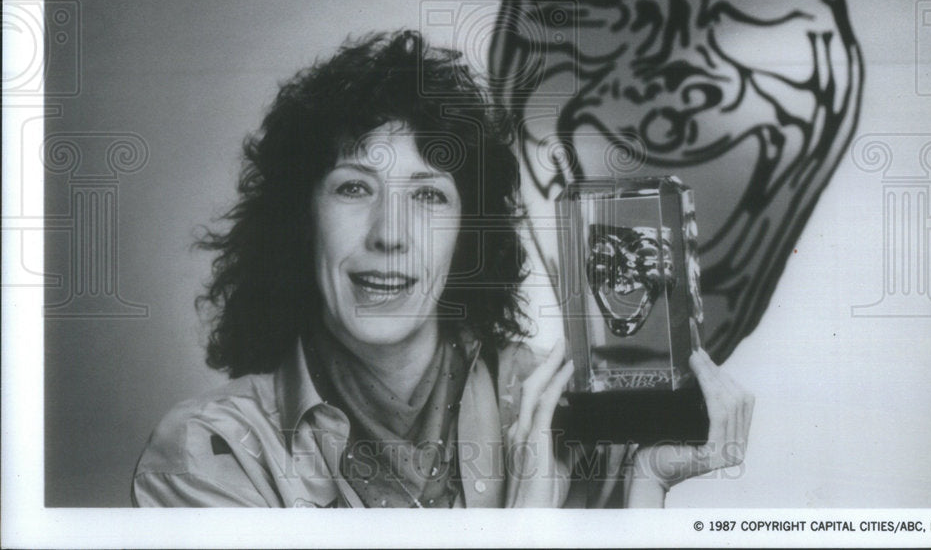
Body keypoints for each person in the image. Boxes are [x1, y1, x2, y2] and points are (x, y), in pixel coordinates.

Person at [131, 30, 753, 508]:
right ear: (301, 218)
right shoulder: (207, 452)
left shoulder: (563, 413)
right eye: (353, 188)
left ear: (468, 236)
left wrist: (646, 483)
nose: (390, 235)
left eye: (428, 195)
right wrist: (530, 522)